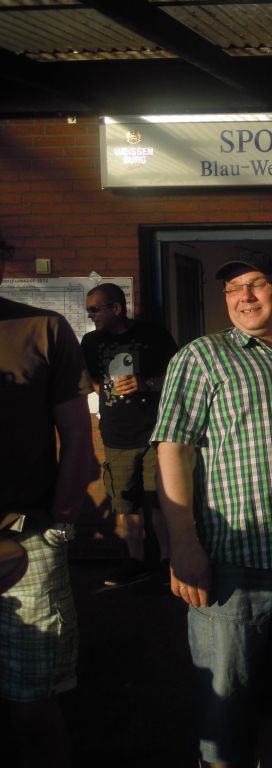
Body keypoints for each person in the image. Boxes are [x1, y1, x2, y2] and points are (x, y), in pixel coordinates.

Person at [151, 253, 272, 767]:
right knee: (224, 698)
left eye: (255, 284)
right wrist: (183, 544)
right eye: (233, 289)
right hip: (233, 562)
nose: (244, 297)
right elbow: (173, 449)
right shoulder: (201, 357)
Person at [0, 240, 95, 767]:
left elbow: (77, 436)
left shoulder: (44, 328)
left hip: (26, 536)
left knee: (33, 702)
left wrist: (61, 521)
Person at [81, 282, 177, 585]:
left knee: (161, 502)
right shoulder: (90, 342)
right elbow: (86, 379)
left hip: (155, 433)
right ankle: (135, 561)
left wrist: (145, 384)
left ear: (116, 308)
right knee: (126, 504)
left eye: (95, 309)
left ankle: (168, 563)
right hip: (116, 436)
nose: (91, 315)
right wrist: (102, 390)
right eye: (88, 310)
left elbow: (178, 377)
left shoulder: (153, 335)